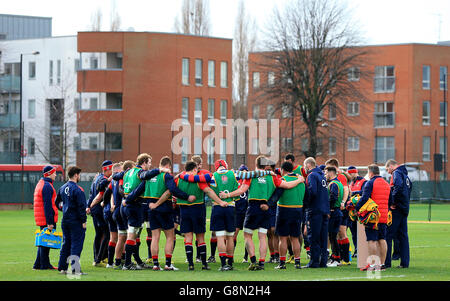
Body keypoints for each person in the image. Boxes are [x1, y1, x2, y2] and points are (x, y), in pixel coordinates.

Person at [222, 155, 304, 271]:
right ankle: (262, 262)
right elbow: (287, 185)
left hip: (253, 207)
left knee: (247, 235)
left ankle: (253, 260)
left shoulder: (252, 176)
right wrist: (299, 180)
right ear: (266, 166)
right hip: (266, 208)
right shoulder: (272, 177)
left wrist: (228, 195)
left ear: (256, 165)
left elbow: (242, 190)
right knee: (262, 237)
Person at [173, 160, 228, 271]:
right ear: (194, 169)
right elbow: (208, 191)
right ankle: (204, 264)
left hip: (183, 210)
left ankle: (190, 265)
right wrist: (220, 202)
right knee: (200, 238)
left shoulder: (178, 179)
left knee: (188, 237)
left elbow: (172, 191)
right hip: (198, 209)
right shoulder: (198, 179)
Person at [146, 156, 196, 271]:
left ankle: (155, 264)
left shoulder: (150, 176)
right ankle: (168, 264)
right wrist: (187, 196)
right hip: (164, 210)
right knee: (170, 236)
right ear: (168, 166)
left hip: (151, 210)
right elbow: (172, 190)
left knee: (155, 237)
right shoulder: (166, 176)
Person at [121, 153, 168, 270]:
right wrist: (159, 170)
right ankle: (127, 264)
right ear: (144, 162)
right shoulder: (139, 172)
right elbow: (144, 177)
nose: (150, 165)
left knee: (134, 235)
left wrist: (125, 198)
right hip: (134, 205)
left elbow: (120, 186)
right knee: (132, 235)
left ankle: (138, 262)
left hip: (128, 206)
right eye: (149, 162)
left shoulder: (128, 172)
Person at [355, 164, 390, 271]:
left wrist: (357, 208)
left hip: (372, 216)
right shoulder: (386, 183)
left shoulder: (370, 182)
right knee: (382, 239)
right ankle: (382, 264)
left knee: (372, 240)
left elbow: (365, 197)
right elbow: (391, 200)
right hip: (384, 215)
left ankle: (373, 265)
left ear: (370, 173)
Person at [273, 161, 306, 270]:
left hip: (284, 210)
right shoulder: (301, 181)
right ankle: (297, 262)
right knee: (295, 238)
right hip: (298, 210)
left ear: (283, 170)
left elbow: (276, 196)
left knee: (283, 238)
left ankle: (282, 263)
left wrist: (268, 204)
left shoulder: (283, 180)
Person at [56, 166, 87, 275]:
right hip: (76, 221)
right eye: (79, 175)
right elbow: (81, 207)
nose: (79, 177)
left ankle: (62, 268)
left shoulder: (62, 187)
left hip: (65, 220)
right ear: (75, 175)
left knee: (66, 243)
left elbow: (57, 202)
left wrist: (64, 209)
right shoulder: (78, 190)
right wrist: (84, 221)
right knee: (76, 244)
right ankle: (75, 269)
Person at [303, 157, 330, 268]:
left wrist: (305, 204)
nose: (304, 168)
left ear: (308, 165)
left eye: (304, 166)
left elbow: (312, 191)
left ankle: (314, 262)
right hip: (324, 210)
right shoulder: (321, 175)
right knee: (323, 237)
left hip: (315, 210)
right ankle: (323, 261)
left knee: (313, 236)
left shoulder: (311, 176)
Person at [385, 159, 412, 269]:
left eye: (387, 169)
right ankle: (405, 263)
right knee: (403, 236)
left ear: (391, 166)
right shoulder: (406, 176)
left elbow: (398, 187)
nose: (388, 172)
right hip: (404, 208)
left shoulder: (396, 173)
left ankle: (386, 263)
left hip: (396, 209)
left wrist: (393, 202)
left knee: (388, 235)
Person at [86, 160, 113, 267]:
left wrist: (88, 206)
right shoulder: (103, 179)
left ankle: (99, 258)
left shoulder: (96, 178)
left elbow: (91, 194)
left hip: (94, 211)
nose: (112, 172)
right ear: (107, 170)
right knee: (107, 234)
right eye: (111, 170)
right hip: (99, 210)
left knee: (99, 234)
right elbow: (99, 190)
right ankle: (98, 259)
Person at [325, 158, 351, 265]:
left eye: (326, 171)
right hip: (338, 210)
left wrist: (342, 203)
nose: (325, 173)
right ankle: (339, 257)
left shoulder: (337, 180)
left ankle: (342, 258)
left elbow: (344, 191)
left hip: (337, 210)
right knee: (335, 235)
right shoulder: (337, 180)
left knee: (339, 234)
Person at [33, 165, 59, 270]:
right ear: (49, 174)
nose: (56, 175)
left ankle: (38, 264)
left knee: (43, 242)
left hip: (41, 217)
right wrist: (50, 222)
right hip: (46, 218)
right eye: (54, 173)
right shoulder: (47, 186)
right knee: (46, 242)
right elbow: (47, 205)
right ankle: (44, 265)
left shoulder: (41, 183)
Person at [324, 166, 344, 267]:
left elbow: (333, 196)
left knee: (332, 237)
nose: (325, 175)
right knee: (333, 237)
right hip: (337, 212)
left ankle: (336, 259)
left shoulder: (333, 184)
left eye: (326, 172)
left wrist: (329, 208)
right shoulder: (339, 183)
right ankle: (336, 258)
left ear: (330, 173)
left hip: (334, 212)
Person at [348, 165, 367, 257]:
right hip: (352, 211)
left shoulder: (363, 181)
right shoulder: (351, 183)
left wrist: (353, 193)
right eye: (349, 173)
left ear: (355, 173)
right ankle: (356, 249)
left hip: (360, 210)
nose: (350, 175)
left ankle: (362, 250)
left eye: (351, 173)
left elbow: (364, 193)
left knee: (361, 232)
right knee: (353, 232)